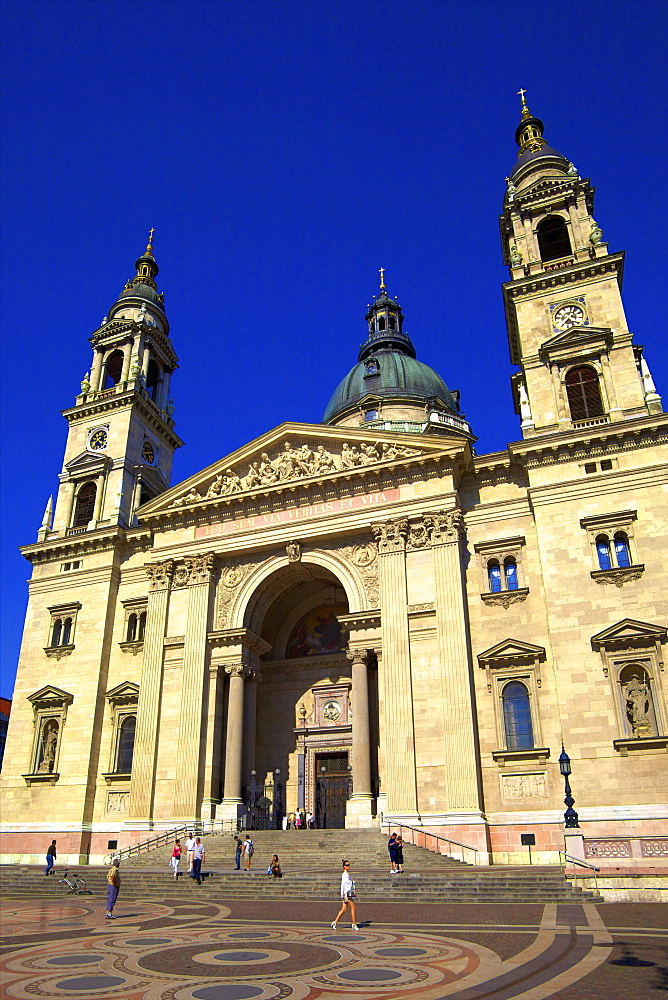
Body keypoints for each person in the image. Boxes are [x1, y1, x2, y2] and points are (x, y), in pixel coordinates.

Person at [331, 859, 359, 931]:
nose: (348, 866)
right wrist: (352, 881)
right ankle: (354, 924)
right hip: (347, 893)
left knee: (344, 909)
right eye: (347, 865)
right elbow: (345, 884)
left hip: (345, 893)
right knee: (353, 907)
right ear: (344, 866)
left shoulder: (346, 874)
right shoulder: (345, 874)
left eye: (349, 865)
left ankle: (335, 922)